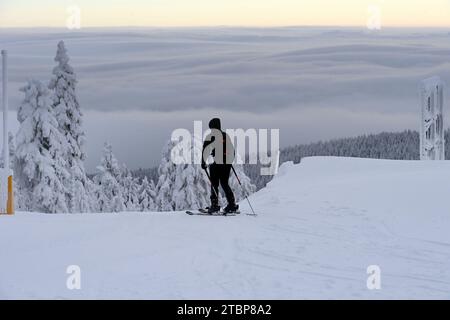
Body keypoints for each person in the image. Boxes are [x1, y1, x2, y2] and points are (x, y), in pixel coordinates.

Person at [201, 118, 239, 214]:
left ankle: (214, 206)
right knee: (224, 183)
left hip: (217, 163)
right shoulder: (225, 135)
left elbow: (205, 150)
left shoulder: (211, 136)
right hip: (227, 163)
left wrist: (203, 162)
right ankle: (232, 205)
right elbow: (232, 150)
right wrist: (229, 161)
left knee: (214, 184)